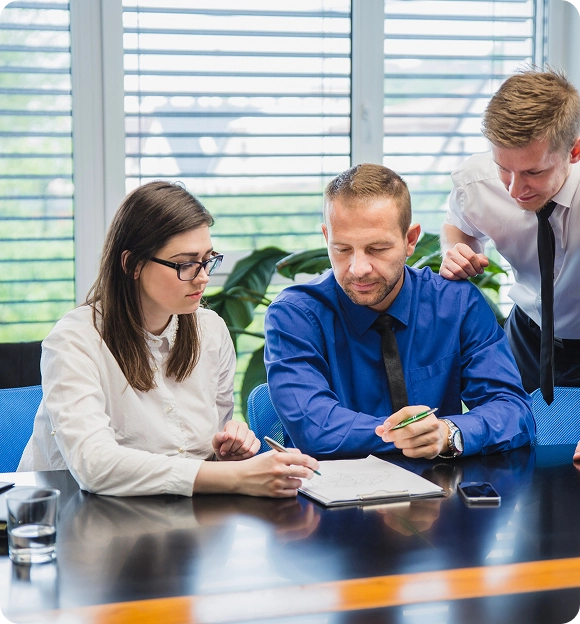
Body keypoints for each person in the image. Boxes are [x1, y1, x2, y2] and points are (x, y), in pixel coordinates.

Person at [19, 181, 317, 496]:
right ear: (132, 264)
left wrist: (224, 452)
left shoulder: (211, 332)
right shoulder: (75, 340)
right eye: (185, 264)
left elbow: (198, 457)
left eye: (207, 259)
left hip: (170, 519)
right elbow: (95, 465)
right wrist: (234, 477)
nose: (203, 276)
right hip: (68, 521)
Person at [264, 164, 534, 460]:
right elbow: (314, 428)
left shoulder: (456, 304)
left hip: (442, 496)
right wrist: (413, 435)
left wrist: (448, 433)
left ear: (410, 240)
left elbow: (513, 412)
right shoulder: (294, 316)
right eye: (342, 249)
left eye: (377, 248)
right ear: (326, 236)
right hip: (330, 500)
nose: (358, 269)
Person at [440, 69, 580, 407]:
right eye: (505, 167)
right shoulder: (477, 183)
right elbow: (457, 224)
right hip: (526, 335)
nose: (515, 190)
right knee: (513, 442)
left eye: (534, 172)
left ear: (574, 151)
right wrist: (456, 250)